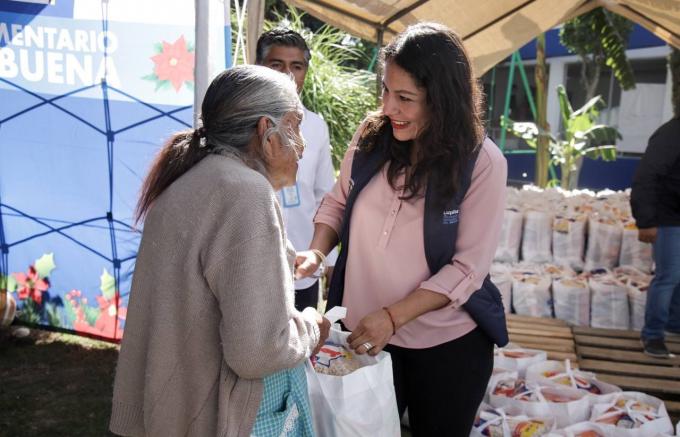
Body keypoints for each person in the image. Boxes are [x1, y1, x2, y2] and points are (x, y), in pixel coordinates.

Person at [296, 23, 508, 435]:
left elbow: (468, 268)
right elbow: (338, 202)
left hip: (445, 348)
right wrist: (317, 253)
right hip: (362, 336)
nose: (389, 107)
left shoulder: (482, 163)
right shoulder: (373, 135)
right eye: (386, 91)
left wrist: (393, 317)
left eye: (405, 98)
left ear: (443, 101)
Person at [109, 65, 330, 437]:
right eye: (294, 125)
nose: (302, 145)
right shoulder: (247, 193)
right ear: (266, 132)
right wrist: (311, 328)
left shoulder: (189, 178)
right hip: (215, 418)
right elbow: (257, 352)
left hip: (168, 412)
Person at [256, 28, 338, 312]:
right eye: (276, 65)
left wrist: (328, 261)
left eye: (297, 66)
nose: (287, 75)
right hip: (252, 268)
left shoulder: (316, 126)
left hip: (301, 268)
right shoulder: (241, 124)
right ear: (259, 68)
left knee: (299, 351)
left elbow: (325, 196)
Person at [631, 93, 680, 359]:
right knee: (668, 277)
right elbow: (647, 177)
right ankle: (653, 336)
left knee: (677, 279)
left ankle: (674, 325)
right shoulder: (671, 134)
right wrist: (646, 221)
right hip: (669, 220)